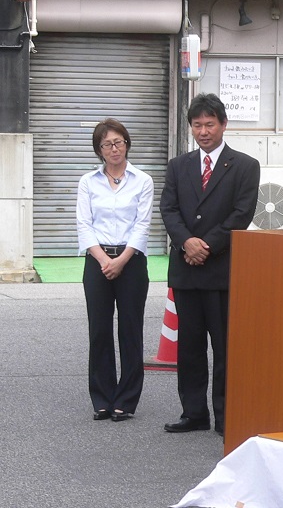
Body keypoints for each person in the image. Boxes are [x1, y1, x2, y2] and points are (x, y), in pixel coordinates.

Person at [160, 93, 260, 437]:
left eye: (210, 124)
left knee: (224, 348)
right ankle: (193, 413)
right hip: (186, 270)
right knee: (189, 348)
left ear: (223, 125)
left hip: (222, 272)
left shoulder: (245, 165)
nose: (204, 131)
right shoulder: (179, 165)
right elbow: (168, 209)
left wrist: (206, 245)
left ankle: (226, 414)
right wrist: (186, 242)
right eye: (198, 125)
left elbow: (241, 214)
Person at [76, 118, 154, 423]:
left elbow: (142, 224)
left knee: (130, 330)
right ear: (99, 149)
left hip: (131, 261)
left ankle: (126, 400)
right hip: (97, 261)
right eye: (107, 144)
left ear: (127, 143)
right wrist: (103, 260)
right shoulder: (88, 181)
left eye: (119, 142)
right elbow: (84, 223)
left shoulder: (142, 180)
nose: (114, 148)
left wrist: (120, 260)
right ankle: (103, 399)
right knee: (99, 330)